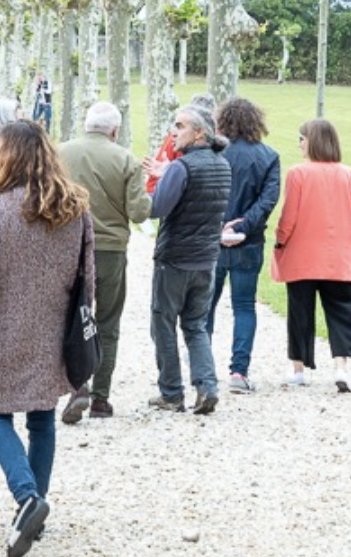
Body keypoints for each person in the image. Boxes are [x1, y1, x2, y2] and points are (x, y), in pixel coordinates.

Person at [0, 121, 94, 557]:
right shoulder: (75, 206)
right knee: (42, 418)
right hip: (52, 328)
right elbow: (88, 279)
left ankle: (27, 497)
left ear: (6, 157)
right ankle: (35, 509)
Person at [56, 101, 149, 423]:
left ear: (86, 124)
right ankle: (100, 397)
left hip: (69, 248)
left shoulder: (61, 153)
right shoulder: (126, 160)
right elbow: (139, 212)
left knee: (72, 320)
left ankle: (76, 386)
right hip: (110, 250)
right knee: (107, 324)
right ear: (115, 130)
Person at [275, 117, 351, 392]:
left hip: (302, 258)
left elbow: (289, 216)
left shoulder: (297, 173)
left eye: (301, 139)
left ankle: (298, 369)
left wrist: (280, 241)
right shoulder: (349, 175)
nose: (299, 144)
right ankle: (341, 368)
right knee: (342, 312)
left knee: (300, 313)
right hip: (339, 259)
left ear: (312, 142)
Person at [144, 105, 232, 415]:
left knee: (163, 324)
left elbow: (156, 208)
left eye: (180, 126)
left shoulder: (182, 167)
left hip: (175, 259)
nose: (173, 131)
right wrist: (167, 174)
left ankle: (171, 393)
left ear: (199, 133)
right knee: (195, 325)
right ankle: (207, 386)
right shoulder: (222, 165)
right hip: (206, 258)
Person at [208, 97, 280, 393]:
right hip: (248, 242)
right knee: (244, 306)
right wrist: (242, 225)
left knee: (205, 306)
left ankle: (202, 369)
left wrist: (220, 225)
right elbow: (267, 201)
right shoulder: (269, 156)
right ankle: (239, 371)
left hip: (212, 241)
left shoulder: (212, 153)